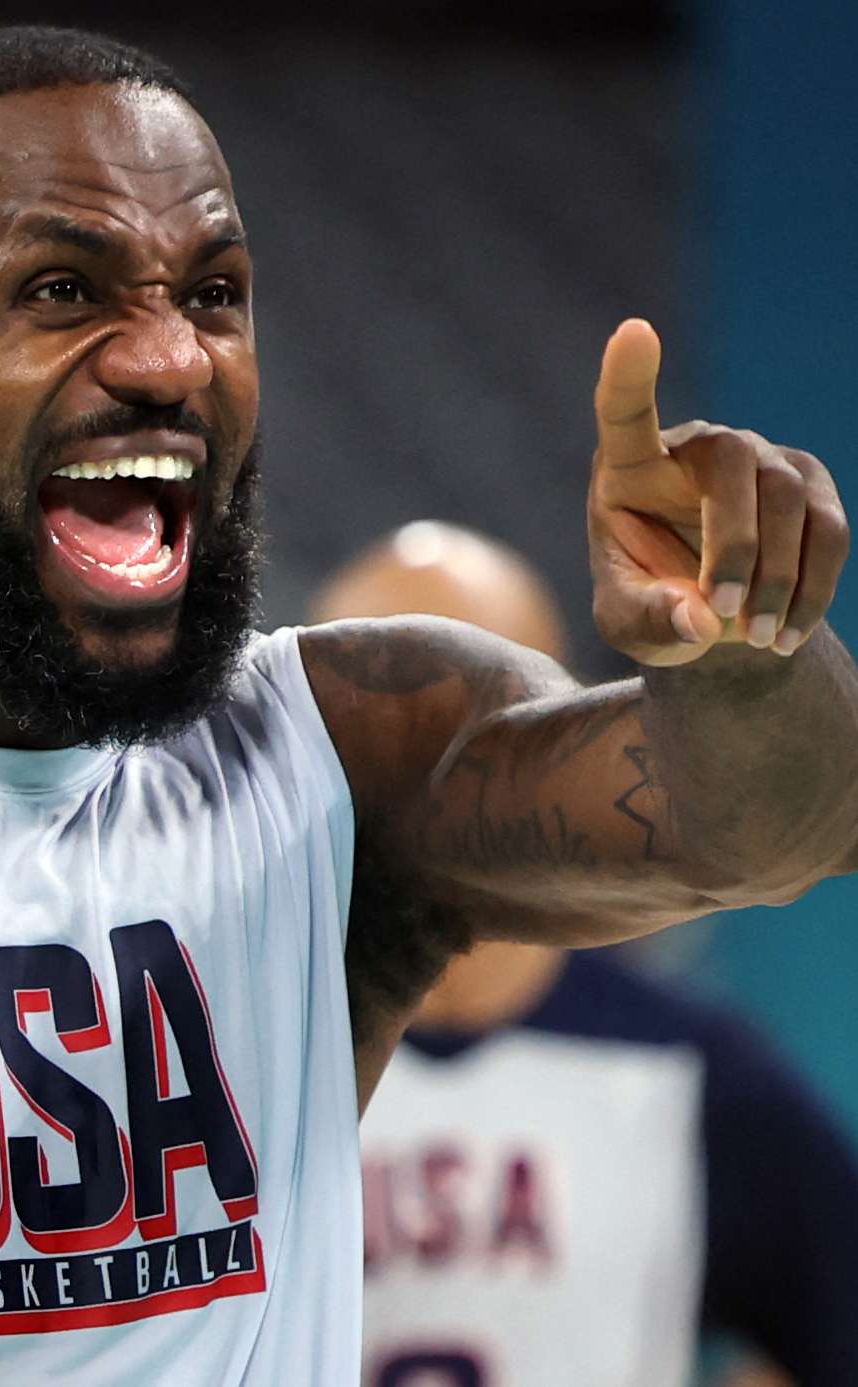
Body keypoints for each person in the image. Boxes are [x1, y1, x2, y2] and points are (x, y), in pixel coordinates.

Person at [0, 24, 856, 1386]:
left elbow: (765, 824)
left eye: (214, 292)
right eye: (64, 291)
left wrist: (739, 653)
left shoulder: (345, 758)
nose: (172, 359)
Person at [313, 522, 858, 1387]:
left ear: (569, 728)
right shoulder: (220, 1058)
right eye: (371, 721)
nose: (423, 763)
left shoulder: (684, 1071)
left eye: (463, 716)